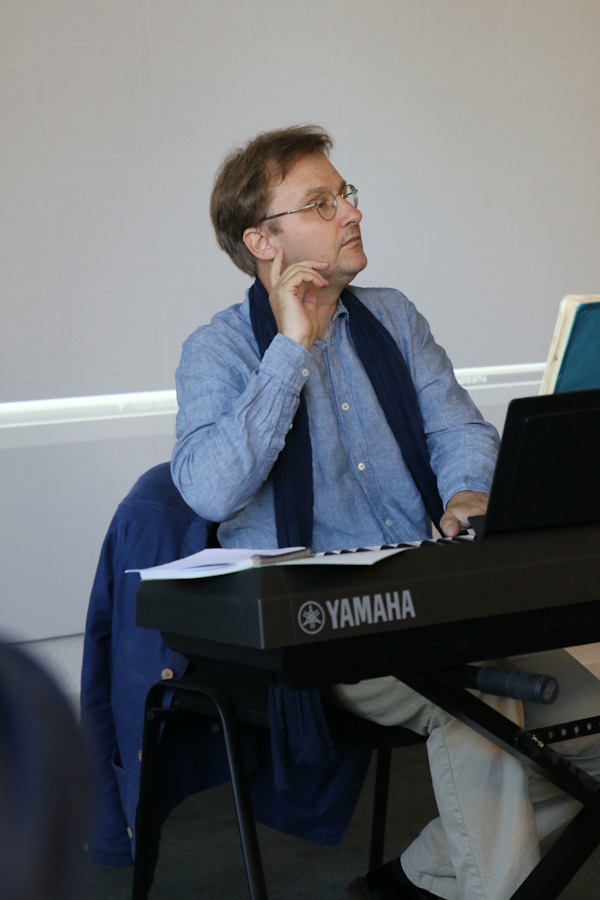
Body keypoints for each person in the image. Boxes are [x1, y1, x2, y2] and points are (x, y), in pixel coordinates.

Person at [171, 125, 600, 900]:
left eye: (346, 195)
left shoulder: (394, 318)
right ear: (263, 241)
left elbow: (461, 432)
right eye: (321, 203)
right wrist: (290, 351)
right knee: (481, 699)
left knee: (595, 724)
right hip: (323, 625)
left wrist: (468, 493)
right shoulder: (218, 349)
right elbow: (207, 490)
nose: (351, 213)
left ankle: (418, 878)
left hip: (434, 601)